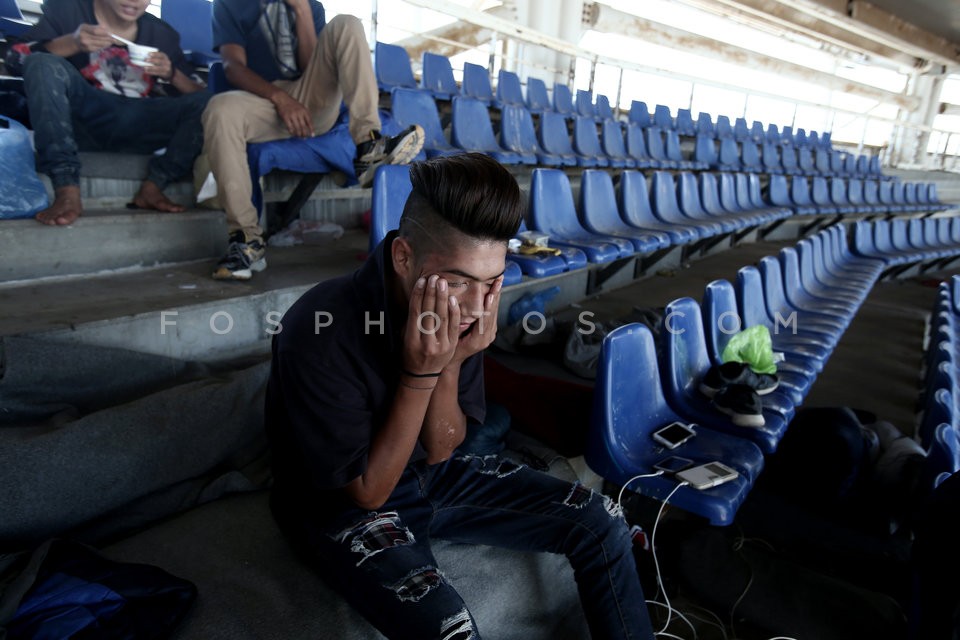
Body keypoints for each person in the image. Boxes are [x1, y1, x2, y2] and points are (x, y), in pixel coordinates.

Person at [265, 153, 655, 640]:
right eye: (457, 281)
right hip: (339, 504)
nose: (475, 304)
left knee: (604, 522)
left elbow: (445, 447)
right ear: (404, 257)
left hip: (428, 474)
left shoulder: (463, 310)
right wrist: (418, 373)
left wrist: (450, 363)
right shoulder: (319, 325)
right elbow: (368, 493)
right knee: (451, 630)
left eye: (492, 282)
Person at [202, 0, 424, 281]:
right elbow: (232, 67)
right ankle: (246, 240)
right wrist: (281, 99)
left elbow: (311, 66)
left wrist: (302, 10)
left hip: (311, 99)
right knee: (220, 109)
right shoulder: (230, 4)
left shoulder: (311, 7)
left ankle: (369, 146)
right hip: (261, 102)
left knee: (347, 22)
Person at [8, 0, 210, 226]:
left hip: (139, 122)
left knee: (214, 102)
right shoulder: (68, 11)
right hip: (83, 117)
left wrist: (172, 73)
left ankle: (154, 185)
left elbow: (199, 93)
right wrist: (71, 43)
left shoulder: (162, 34)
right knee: (42, 62)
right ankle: (66, 187)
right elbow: (14, 59)